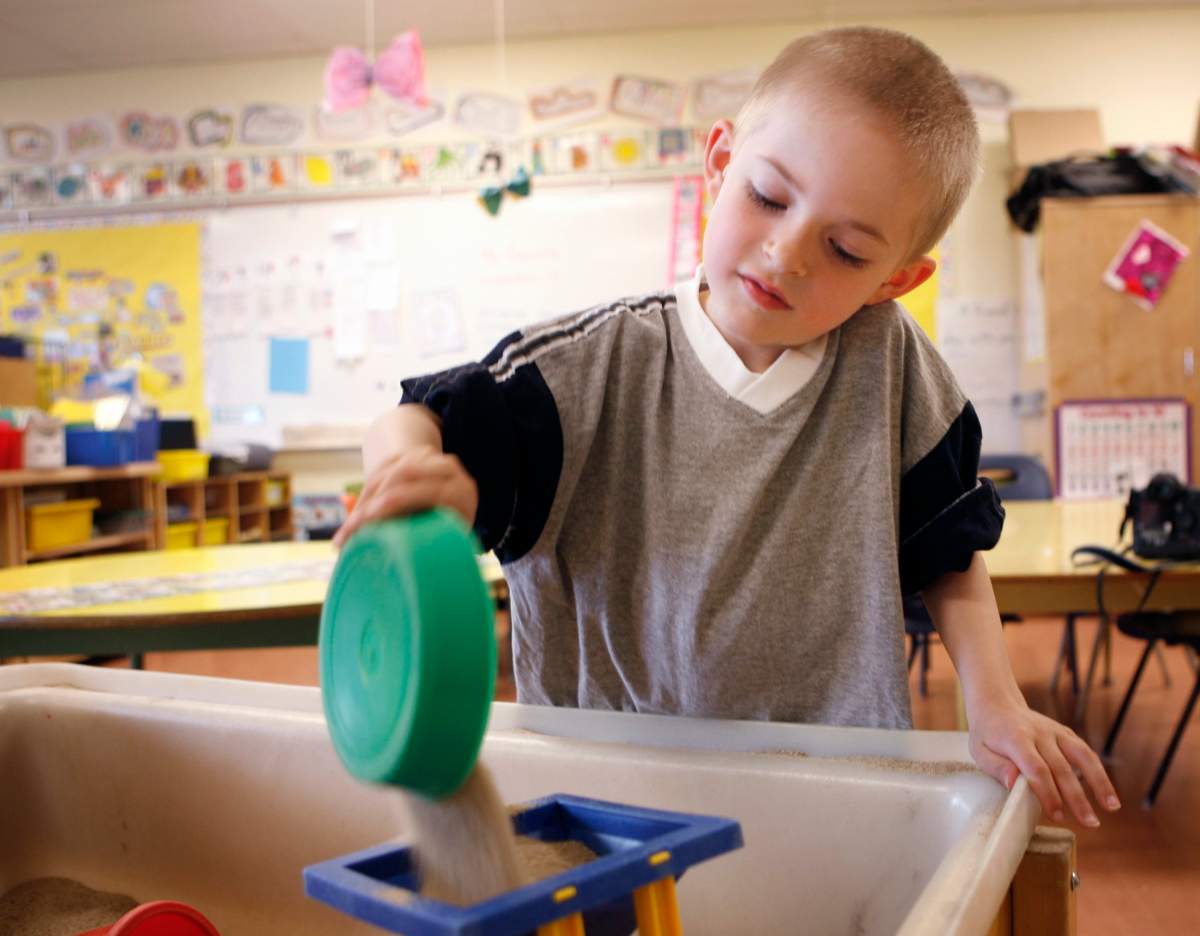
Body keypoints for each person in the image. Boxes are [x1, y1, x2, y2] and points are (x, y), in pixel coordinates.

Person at [336, 27, 1120, 828]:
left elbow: (949, 552)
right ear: (719, 165)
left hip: (839, 794)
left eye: (845, 250)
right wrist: (408, 468)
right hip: (614, 804)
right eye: (769, 198)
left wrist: (993, 703)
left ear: (896, 279)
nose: (785, 254)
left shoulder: (896, 370)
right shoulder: (585, 369)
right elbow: (415, 417)